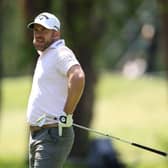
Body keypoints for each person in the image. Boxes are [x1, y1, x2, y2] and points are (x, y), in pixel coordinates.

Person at [26, 12, 85, 168]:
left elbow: (78, 76)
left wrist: (67, 114)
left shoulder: (61, 52)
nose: (38, 34)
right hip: (38, 134)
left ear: (56, 33)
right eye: (36, 30)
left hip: (53, 133)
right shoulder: (46, 55)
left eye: (43, 30)